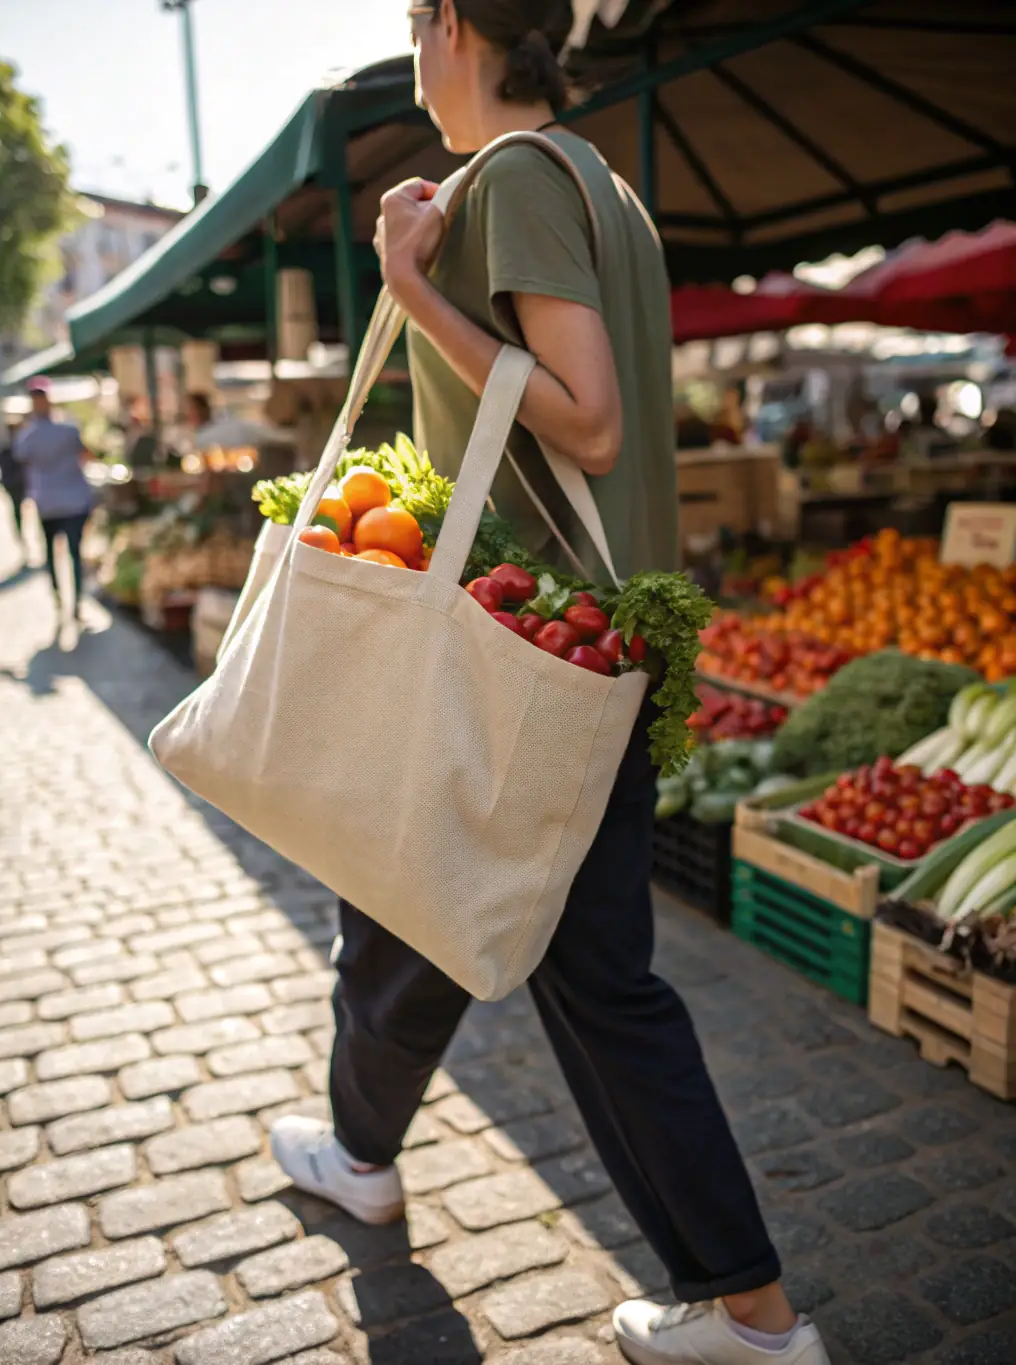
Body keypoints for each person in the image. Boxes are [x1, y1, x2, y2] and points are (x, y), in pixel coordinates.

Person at [270, 6, 830, 1364]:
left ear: (456, 21)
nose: (411, 42)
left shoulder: (515, 180)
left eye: (414, 15)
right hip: (581, 647)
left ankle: (754, 1313)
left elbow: (587, 418)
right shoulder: (600, 185)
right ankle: (359, 1142)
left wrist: (412, 292)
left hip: (531, 654)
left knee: (555, 963)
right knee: (426, 917)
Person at [14, 383, 94, 618]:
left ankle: (64, 600)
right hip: (69, 500)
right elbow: (86, 454)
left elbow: (22, 460)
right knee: (72, 554)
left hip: (50, 502)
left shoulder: (28, 435)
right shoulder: (66, 430)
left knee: (55, 554)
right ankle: (73, 602)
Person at [0, 421, 27, 544]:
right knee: (18, 509)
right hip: (17, 484)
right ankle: (21, 534)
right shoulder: (10, 450)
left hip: (13, 484)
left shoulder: (4, 450)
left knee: (17, 509)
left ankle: (21, 533)